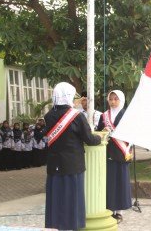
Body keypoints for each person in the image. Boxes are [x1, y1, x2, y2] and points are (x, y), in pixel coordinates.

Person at [44, 82, 101, 230]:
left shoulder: (48, 116)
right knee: (72, 199)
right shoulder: (76, 116)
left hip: (54, 165)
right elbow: (89, 139)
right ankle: (72, 226)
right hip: (72, 165)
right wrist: (100, 138)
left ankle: (57, 226)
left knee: (57, 198)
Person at [97, 90, 132, 223]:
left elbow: (131, 133)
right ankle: (110, 209)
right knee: (110, 181)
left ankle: (119, 211)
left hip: (122, 152)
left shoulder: (126, 115)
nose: (113, 101)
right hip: (108, 152)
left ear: (121, 100)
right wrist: (103, 131)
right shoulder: (104, 115)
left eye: (115, 99)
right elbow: (98, 130)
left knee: (120, 181)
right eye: (111, 99)